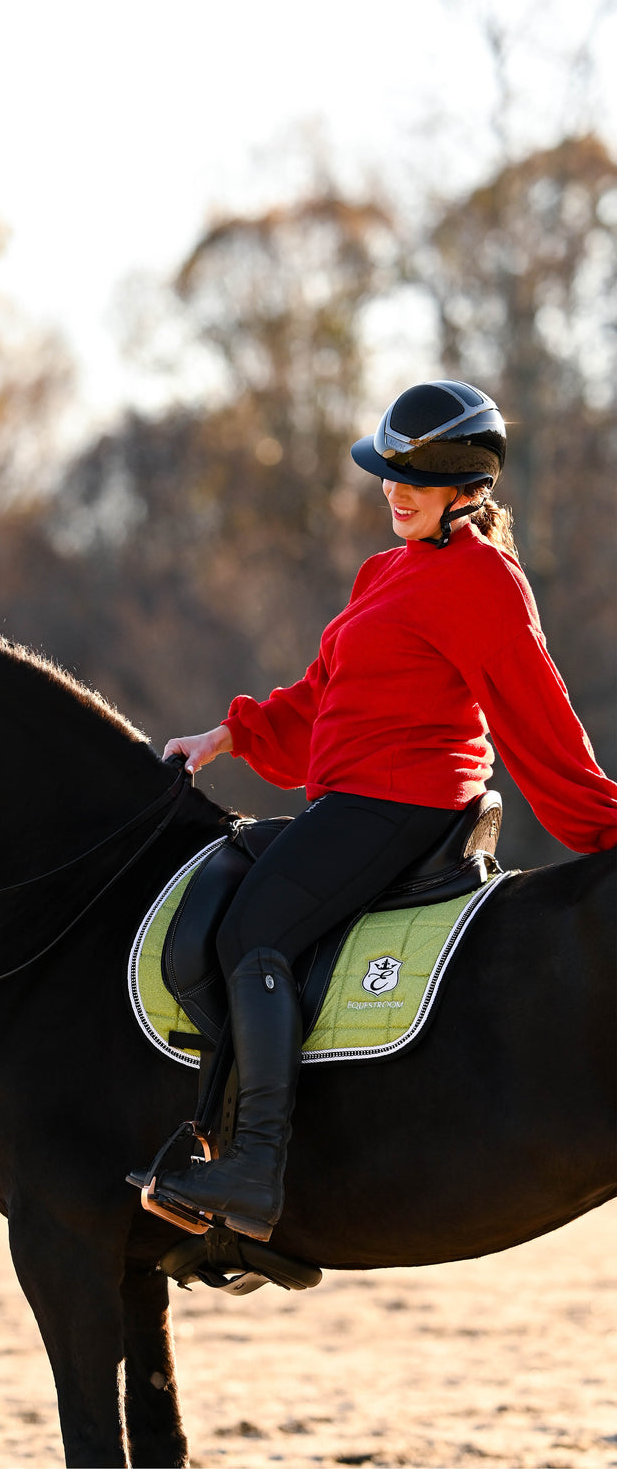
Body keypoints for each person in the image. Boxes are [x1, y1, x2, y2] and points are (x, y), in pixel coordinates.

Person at [143, 379, 617, 1243]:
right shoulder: (386, 569)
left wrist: (603, 820)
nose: (392, 490)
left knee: (254, 931)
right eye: (386, 473)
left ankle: (255, 1170)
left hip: (404, 803)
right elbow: (322, 694)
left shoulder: (484, 581)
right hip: (352, 797)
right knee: (235, 890)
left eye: (414, 477)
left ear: (466, 490)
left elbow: (539, 718)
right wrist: (225, 736)